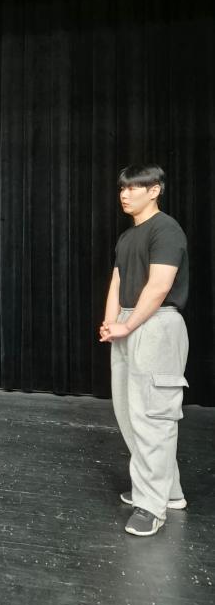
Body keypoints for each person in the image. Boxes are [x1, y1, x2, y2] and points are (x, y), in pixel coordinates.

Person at [99, 164, 189, 537]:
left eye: (134, 188)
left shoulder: (166, 229)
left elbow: (159, 286)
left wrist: (129, 324)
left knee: (153, 416)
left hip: (157, 323)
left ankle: (151, 506)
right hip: (128, 322)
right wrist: (111, 323)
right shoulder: (128, 236)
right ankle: (169, 492)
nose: (125, 194)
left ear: (154, 190)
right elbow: (118, 280)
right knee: (129, 413)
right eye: (122, 188)